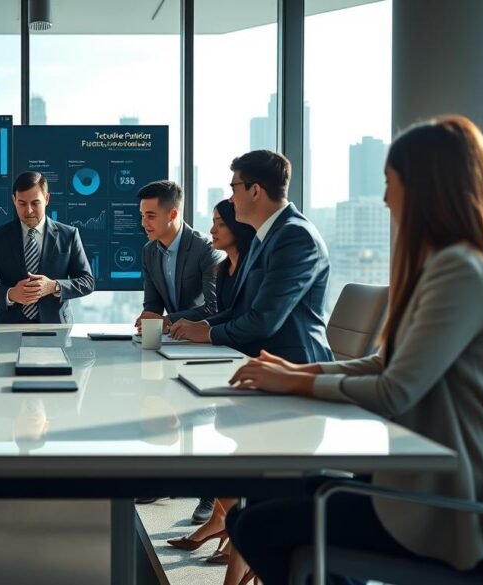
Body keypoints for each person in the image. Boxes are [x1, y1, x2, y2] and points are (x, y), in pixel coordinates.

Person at [225, 116, 483, 584]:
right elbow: (387, 362)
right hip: (426, 482)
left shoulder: (461, 272)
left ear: (427, 187)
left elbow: (395, 391)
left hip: (446, 508)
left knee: (256, 524)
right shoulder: (456, 264)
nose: (386, 197)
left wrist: (297, 382)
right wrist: (299, 372)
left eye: (391, 183)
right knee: (265, 505)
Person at [169, 150, 333, 365]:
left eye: (233, 188)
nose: (230, 198)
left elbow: (263, 320)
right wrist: (203, 326)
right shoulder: (263, 237)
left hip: (294, 367)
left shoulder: (295, 236)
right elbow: (240, 312)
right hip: (259, 359)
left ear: (255, 191)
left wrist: (207, 334)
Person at [166, 199, 258, 559]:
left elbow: (238, 319)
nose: (211, 230)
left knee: (224, 431)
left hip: (252, 360)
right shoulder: (225, 269)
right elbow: (225, 314)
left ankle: (227, 524)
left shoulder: (249, 267)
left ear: (238, 228)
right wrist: (199, 327)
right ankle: (223, 521)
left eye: (219, 223)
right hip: (232, 356)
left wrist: (201, 328)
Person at [0, 171, 95, 324]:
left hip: (54, 326)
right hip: (8, 326)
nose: (29, 211)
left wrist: (54, 286)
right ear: (14, 200)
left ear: (46, 199)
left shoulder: (69, 235)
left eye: (35, 203)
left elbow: (87, 282)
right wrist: (11, 294)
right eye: (22, 204)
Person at [134, 180, 224, 331]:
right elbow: (153, 304)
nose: (143, 223)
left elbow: (213, 307)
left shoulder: (205, 249)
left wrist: (167, 320)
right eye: (142, 215)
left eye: (150, 216)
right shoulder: (149, 251)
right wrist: (147, 318)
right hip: (173, 337)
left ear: (172, 214)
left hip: (203, 338)